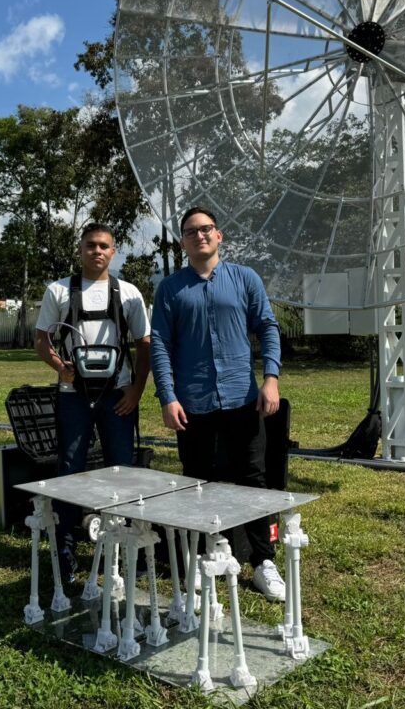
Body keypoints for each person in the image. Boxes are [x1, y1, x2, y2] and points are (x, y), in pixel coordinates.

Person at [150, 206, 285, 601]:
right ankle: (201, 556)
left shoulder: (245, 279)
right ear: (183, 241)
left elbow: (267, 327)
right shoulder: (170, 289)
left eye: (206, 229)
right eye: (191, 232)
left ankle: (263, 562)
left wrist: (271, 379)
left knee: (253, 479)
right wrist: (168, 396)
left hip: (243, 398)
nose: (200, 236)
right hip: (193, 404)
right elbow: (160, 344)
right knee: (196, 481)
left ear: (219, 235)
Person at [34, 223, 151, 582]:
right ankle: (66, 547)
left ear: (113, 252)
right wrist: (59, 367)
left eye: (104, 246)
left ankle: (132, 543)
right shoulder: (59, 290)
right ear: (80, 250)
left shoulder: (128, 293)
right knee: (70, 469)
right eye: (90, 245)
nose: (97, 251)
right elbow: (41, 339)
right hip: (73, 396)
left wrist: (136, 391)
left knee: (124, 468)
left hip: (118, 396)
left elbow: (144, 343)